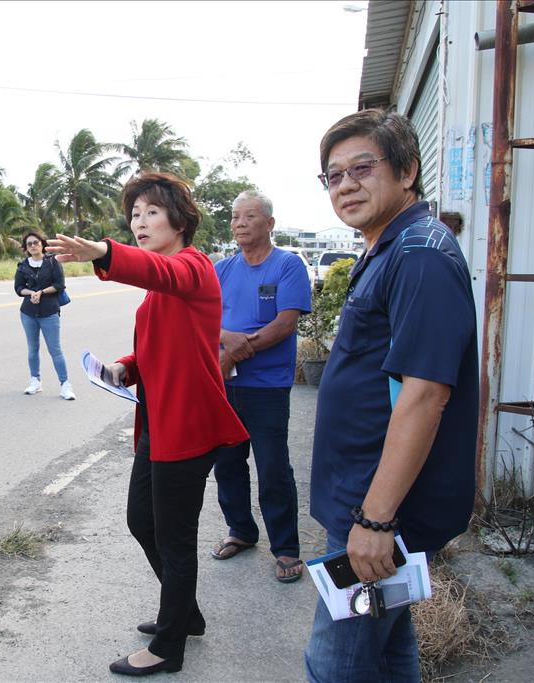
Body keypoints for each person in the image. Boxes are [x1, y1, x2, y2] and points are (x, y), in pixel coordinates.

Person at [48, 172, 248, 677]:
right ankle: (187, 615)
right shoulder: (159, 287)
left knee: (175, 538)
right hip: (158, 424)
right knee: (144, 521)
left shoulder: (194, 268)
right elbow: (161, 347)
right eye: (134, 215)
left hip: (188, 425)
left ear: (179, 218)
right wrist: (125, 367)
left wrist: (102, 251)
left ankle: (169, 645)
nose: (139, 222)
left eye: (151, 212)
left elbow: (158, 274)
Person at [305, 109, 478, 682]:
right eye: (333, 175)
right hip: (367, 497)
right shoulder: (390, 246)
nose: (346, 184)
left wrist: (376, 521)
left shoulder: (420, 254)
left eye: (362, 167)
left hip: (379, 508)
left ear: (406, 171)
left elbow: (425, 395)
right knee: (388, 643)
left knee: (336, 664)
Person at [211, 190, 311, 585]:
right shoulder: (222, 269)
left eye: (249, 216)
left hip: (267, 387)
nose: (239, 223)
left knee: (272, 468)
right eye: (235, 217)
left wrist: (235, 352)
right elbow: (203, 319)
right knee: (227, 464)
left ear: (269, 223)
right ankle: (241, 531)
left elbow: (285, 324)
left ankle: (286, 547)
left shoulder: (288, 266)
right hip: (226, 386)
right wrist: (224, 339)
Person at [14, 230, 75, 400]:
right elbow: (18, 288)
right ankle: (35, 381)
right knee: (32, 348)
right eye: (29, 244)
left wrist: (41, 292)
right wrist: (31, 293)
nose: (33, 246)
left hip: (49, 311)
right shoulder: (23, 265)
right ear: (26, 248)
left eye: (36, 242)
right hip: (28, 313)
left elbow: (59, 284)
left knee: (55, 349)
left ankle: (65, 385)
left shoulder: (52, 262)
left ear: (42, 244)